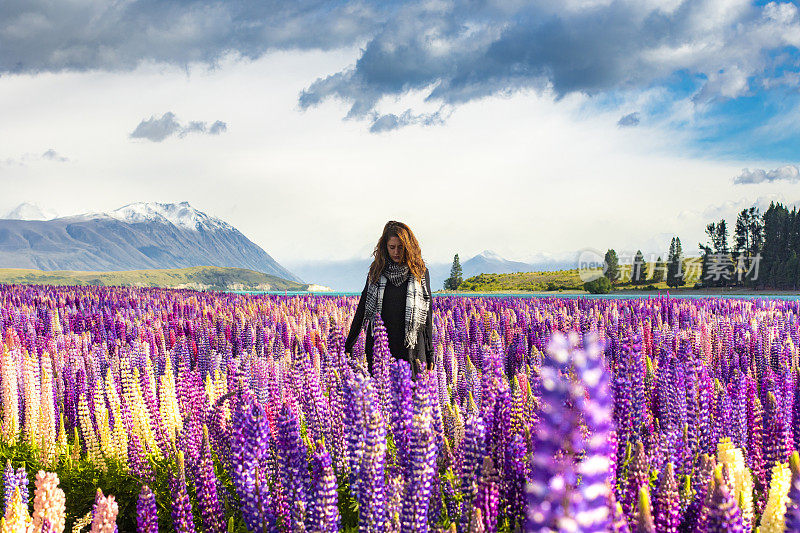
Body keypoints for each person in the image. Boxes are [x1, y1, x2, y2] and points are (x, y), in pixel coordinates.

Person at [344, 220, 433, 379]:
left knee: (412, 398)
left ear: (408, 247)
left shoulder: (420, 272)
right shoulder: (376, 271)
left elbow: (427, 315)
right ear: (385, 247)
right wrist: (349, 344)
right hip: (380, 345)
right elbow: (363, 308)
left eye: (401, 247)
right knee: (381, 397)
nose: (396, 252)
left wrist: (430, 352)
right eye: (392, 247)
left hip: (411, 346)